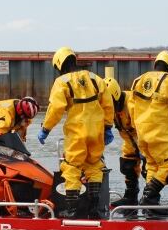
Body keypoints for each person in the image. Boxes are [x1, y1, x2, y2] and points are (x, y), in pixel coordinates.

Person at [38, 46, 114, 219]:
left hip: (77, 131)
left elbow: (56, 108)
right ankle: (95, 208)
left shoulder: (62, 82)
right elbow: (108, 104)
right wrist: (108, 126)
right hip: (97, 130)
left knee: (72, 166)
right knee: (94, 165)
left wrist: (45, 129)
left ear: (59, 65)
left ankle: (71, 209)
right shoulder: (95, 78)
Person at [130, 50, 168, 219]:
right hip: (160, 133)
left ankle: (152, 206)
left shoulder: (138, 80)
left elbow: (131, 107)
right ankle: (149, 198)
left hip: (142, 134)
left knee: (152, 166)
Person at [104, 76, 144, 218]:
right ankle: (131, 197)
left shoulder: (132, 103)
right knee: (127, 166)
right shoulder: (110, 108)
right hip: (128, 140)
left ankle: (151, 199)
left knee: (149, 170)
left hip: (144, 137)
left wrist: (143, 147)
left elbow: (142, 126)